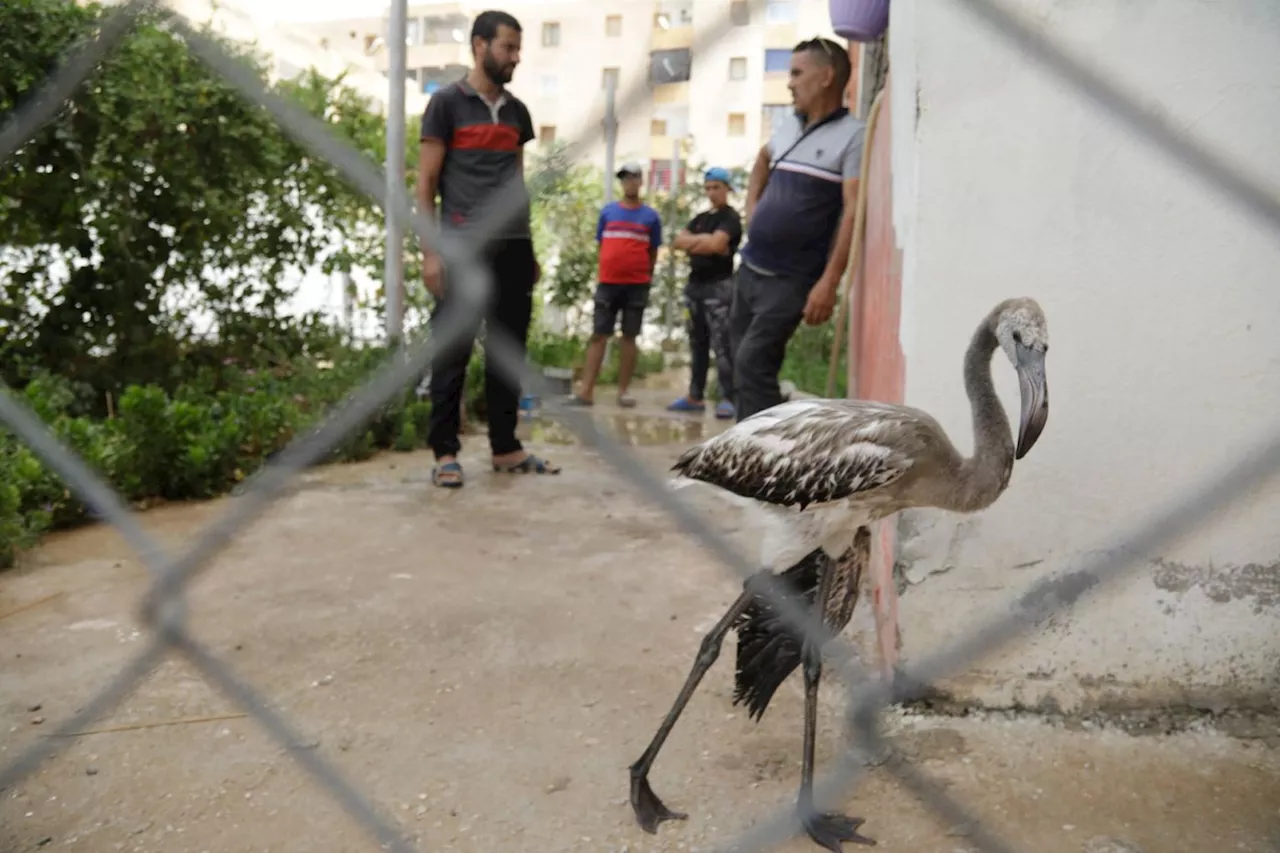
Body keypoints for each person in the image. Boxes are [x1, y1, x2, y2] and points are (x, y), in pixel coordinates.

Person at [416, 9, 561, 488]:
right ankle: (444, 452)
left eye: (518, 48)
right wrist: (431, 253)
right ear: (480, 46)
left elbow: (515, 182)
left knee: (508, 350)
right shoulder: (446, 105)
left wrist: (531, 247)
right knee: (452, 349)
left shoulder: (517, 112)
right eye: (508, 48)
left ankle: (505, 448)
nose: (516, 57)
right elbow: (426, 183)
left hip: (513, 247)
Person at [732, 37, 865, 422]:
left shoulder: (853, 136)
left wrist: (829, 282)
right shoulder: (788, 125)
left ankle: (762, 456)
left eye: (796, 73)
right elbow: (762, 159)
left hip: (791, 280)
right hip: (751, 268)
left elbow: (853, 212)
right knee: (740, 369)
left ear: (826, 77)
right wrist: (753, 211)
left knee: (752, 363)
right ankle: (748, 448)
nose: (789, 83)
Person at [567, 162, 663, 409]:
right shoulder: (608, 213)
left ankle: (623, 391)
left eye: (633, 178)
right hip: (608, 283)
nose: (629, 182)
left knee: (629, 337)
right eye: (625, 178)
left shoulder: (651, 217)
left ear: (641, 181)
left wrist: (645, 276)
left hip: (637, 285)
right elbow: (602, 245)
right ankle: (586, 391)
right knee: (599, 335)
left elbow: (653, 251)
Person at [666, 166, 743, 421]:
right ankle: (694, 396)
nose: (711, 193)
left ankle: (728, 398)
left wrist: (700, 244)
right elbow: (678, 241)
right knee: (697, 342)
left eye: (716, 188)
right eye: (708, 188)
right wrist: (705, 243)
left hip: (719, 288)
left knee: (722, 344)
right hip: (694, 287)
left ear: (727, 189)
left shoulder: (730, 218)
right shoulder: (700, 218)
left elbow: (717, 244)